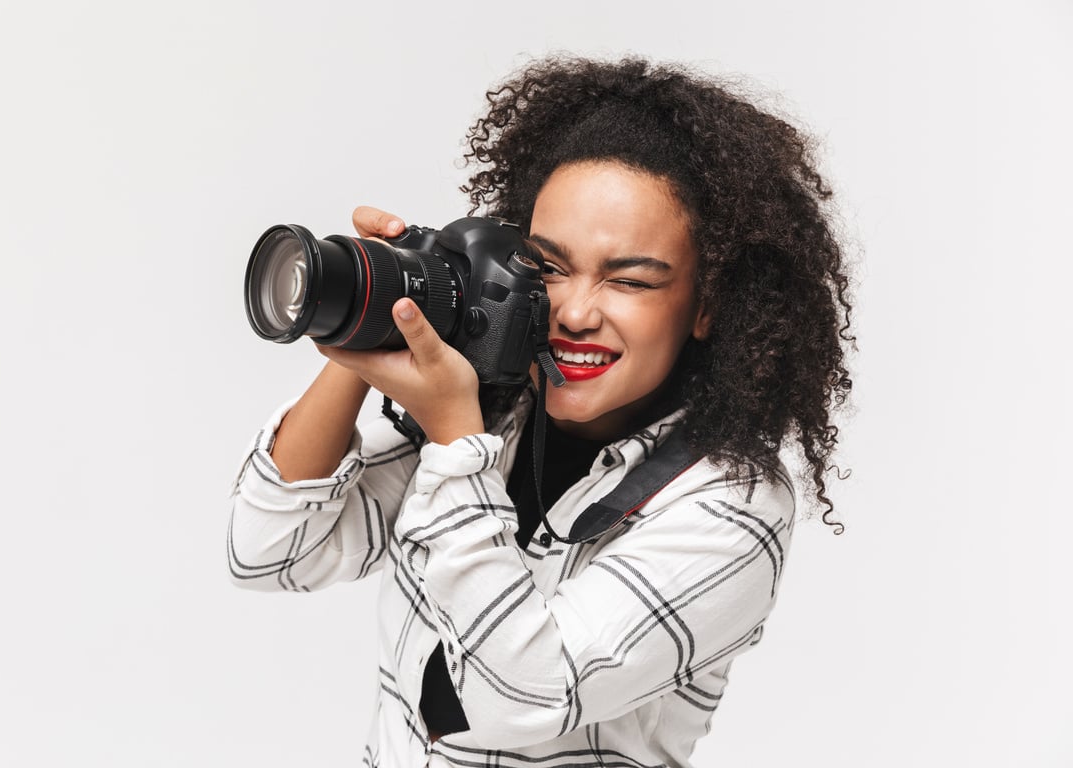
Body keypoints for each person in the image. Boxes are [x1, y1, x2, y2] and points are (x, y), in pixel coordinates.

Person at [228, 55, 854, 767]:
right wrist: (363, 334)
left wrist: (457, 444)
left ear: (706, 306)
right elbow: (270, 550)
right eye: (551, 267)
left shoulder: (731, 506)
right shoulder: (496, 403)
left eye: (629, 280)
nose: (577, 312)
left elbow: (517, 695)